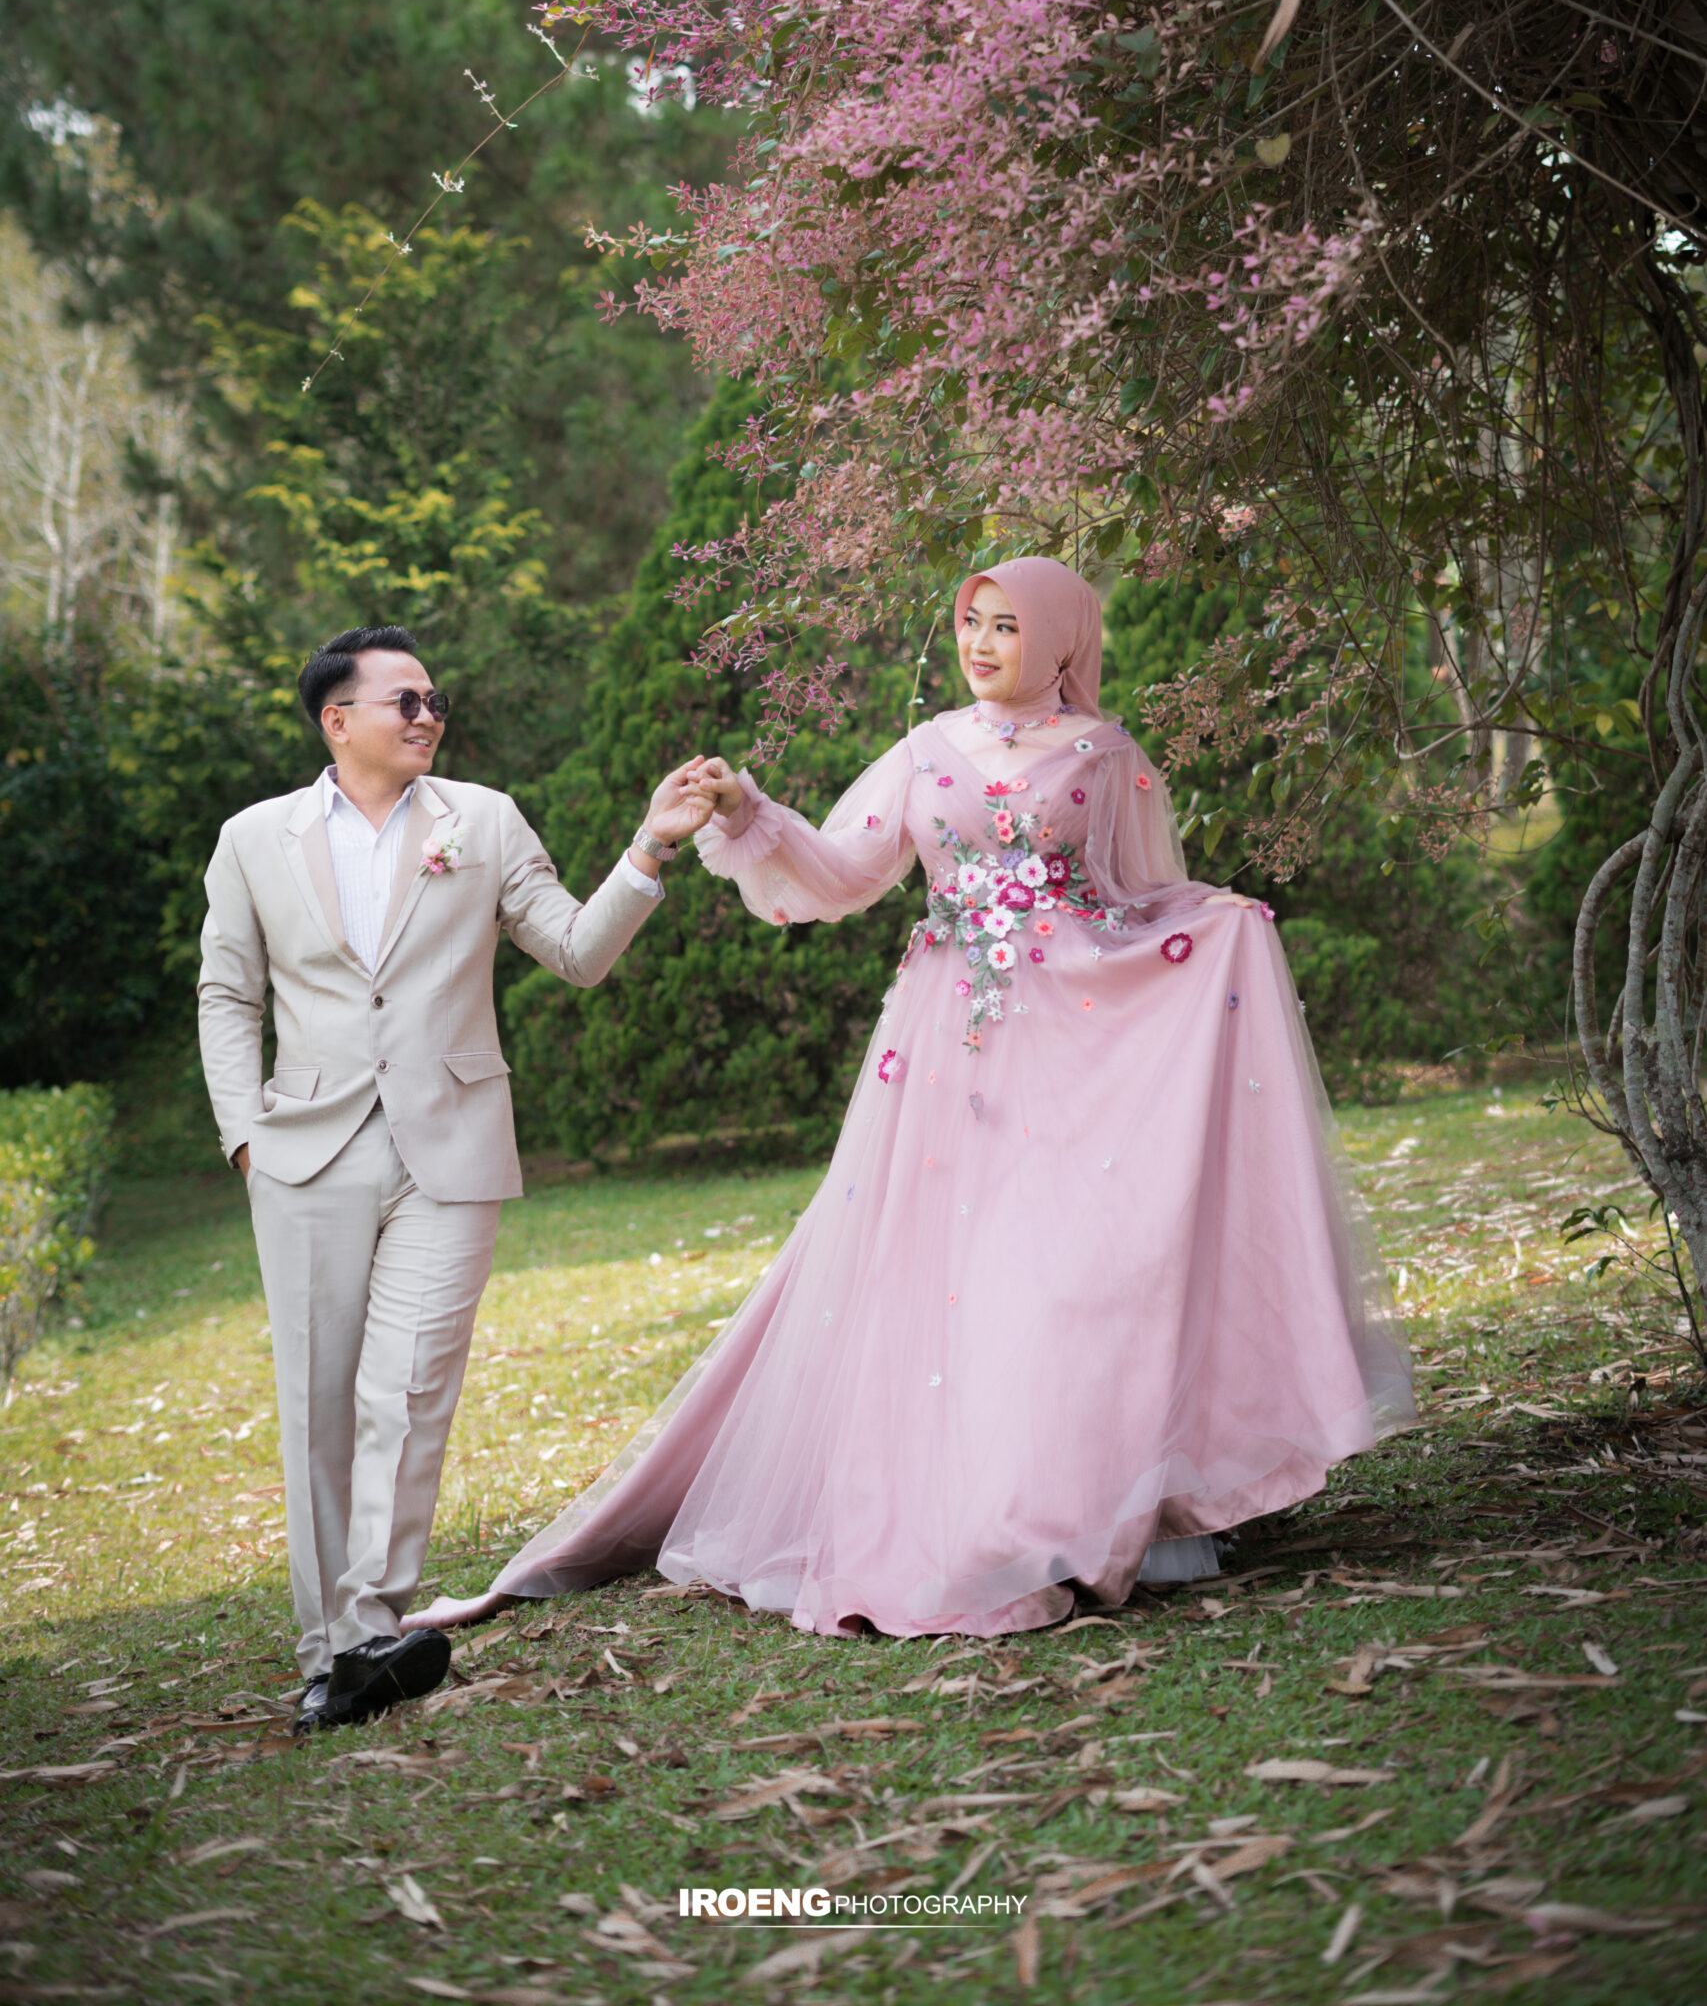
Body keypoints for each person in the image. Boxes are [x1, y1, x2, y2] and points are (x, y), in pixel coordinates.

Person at [406, 558, 1412, 1641]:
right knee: (954, 1272)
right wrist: (751, 812)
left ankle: (1071, 1507)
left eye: (1007, 626)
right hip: (944, 1049)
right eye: (971, 621)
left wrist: (1215, 924)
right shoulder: (925, 750)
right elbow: (843, 873)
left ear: (1060, 638)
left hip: (1077, 1042)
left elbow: (1137, 895)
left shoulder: (1108, 754)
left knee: (1067, 1271)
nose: (980, 643)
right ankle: (972, 1516)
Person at [197, 624, 715, 1730]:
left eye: (435, 700)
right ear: (338, 720)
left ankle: (370, 1632)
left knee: (409, 1391)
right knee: (318, 1407)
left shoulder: (482, 819)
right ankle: (326, 1652)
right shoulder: (252, 838)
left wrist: (649, 848)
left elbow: (576, 951)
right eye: (406, 701)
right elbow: (227, 994)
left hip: (453, 1147)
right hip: (304, 1154)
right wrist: (245, 1135)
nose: (429, 715)